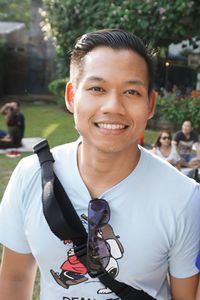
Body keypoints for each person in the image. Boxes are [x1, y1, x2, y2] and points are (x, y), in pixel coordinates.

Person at [0, 29, 199, 300]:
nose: (113, 106)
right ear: (71, 96)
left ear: (150, 104)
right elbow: (15, 276)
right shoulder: (29, 175)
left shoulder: (184, 198)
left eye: (131, 91)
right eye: (97, 88)